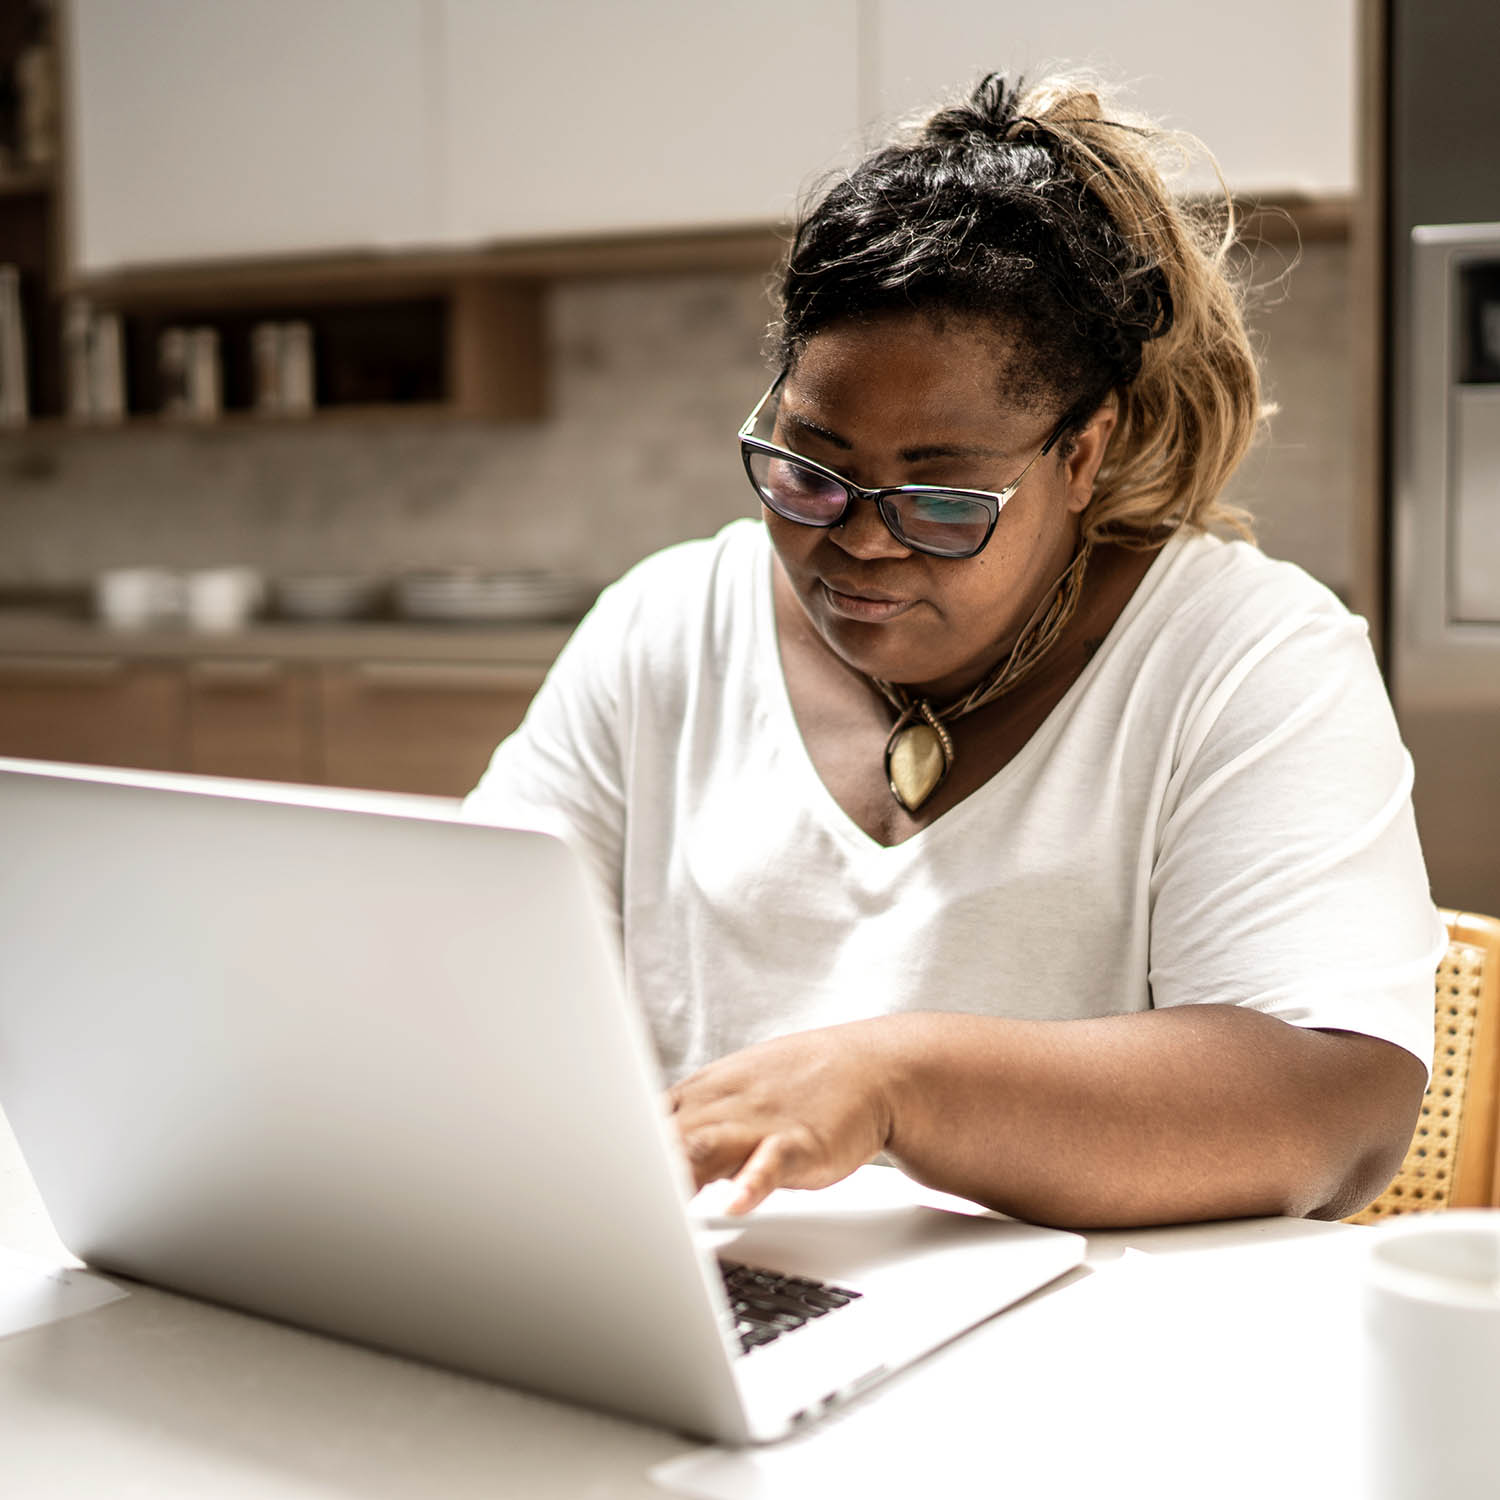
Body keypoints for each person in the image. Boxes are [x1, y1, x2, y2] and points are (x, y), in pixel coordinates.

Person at [464, 73, 1442, 1229]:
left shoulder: (1245, 657)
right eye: (810, 469)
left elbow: (1338, 1109)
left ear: (1082, 454)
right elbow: (468, 953)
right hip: (726, 1312)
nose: (861, 543)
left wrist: (898, 1083)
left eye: (938, 500)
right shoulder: (668, 623)